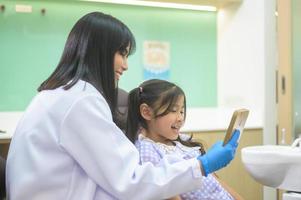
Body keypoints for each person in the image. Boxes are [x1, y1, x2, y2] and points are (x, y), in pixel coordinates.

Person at [6, 12, 239, 200]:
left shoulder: (59, 94)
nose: (126, 65)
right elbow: (131, 180)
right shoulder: (81, 101)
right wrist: (201, 165)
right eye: (122, 53)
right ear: (100, 51)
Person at [126, 79, 243, 200]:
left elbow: (216, 183)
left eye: (182, 111)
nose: (180, 118)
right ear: (146, 112)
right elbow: (166, 193)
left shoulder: (182, 141)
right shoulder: (147, 151)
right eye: (173, 110)